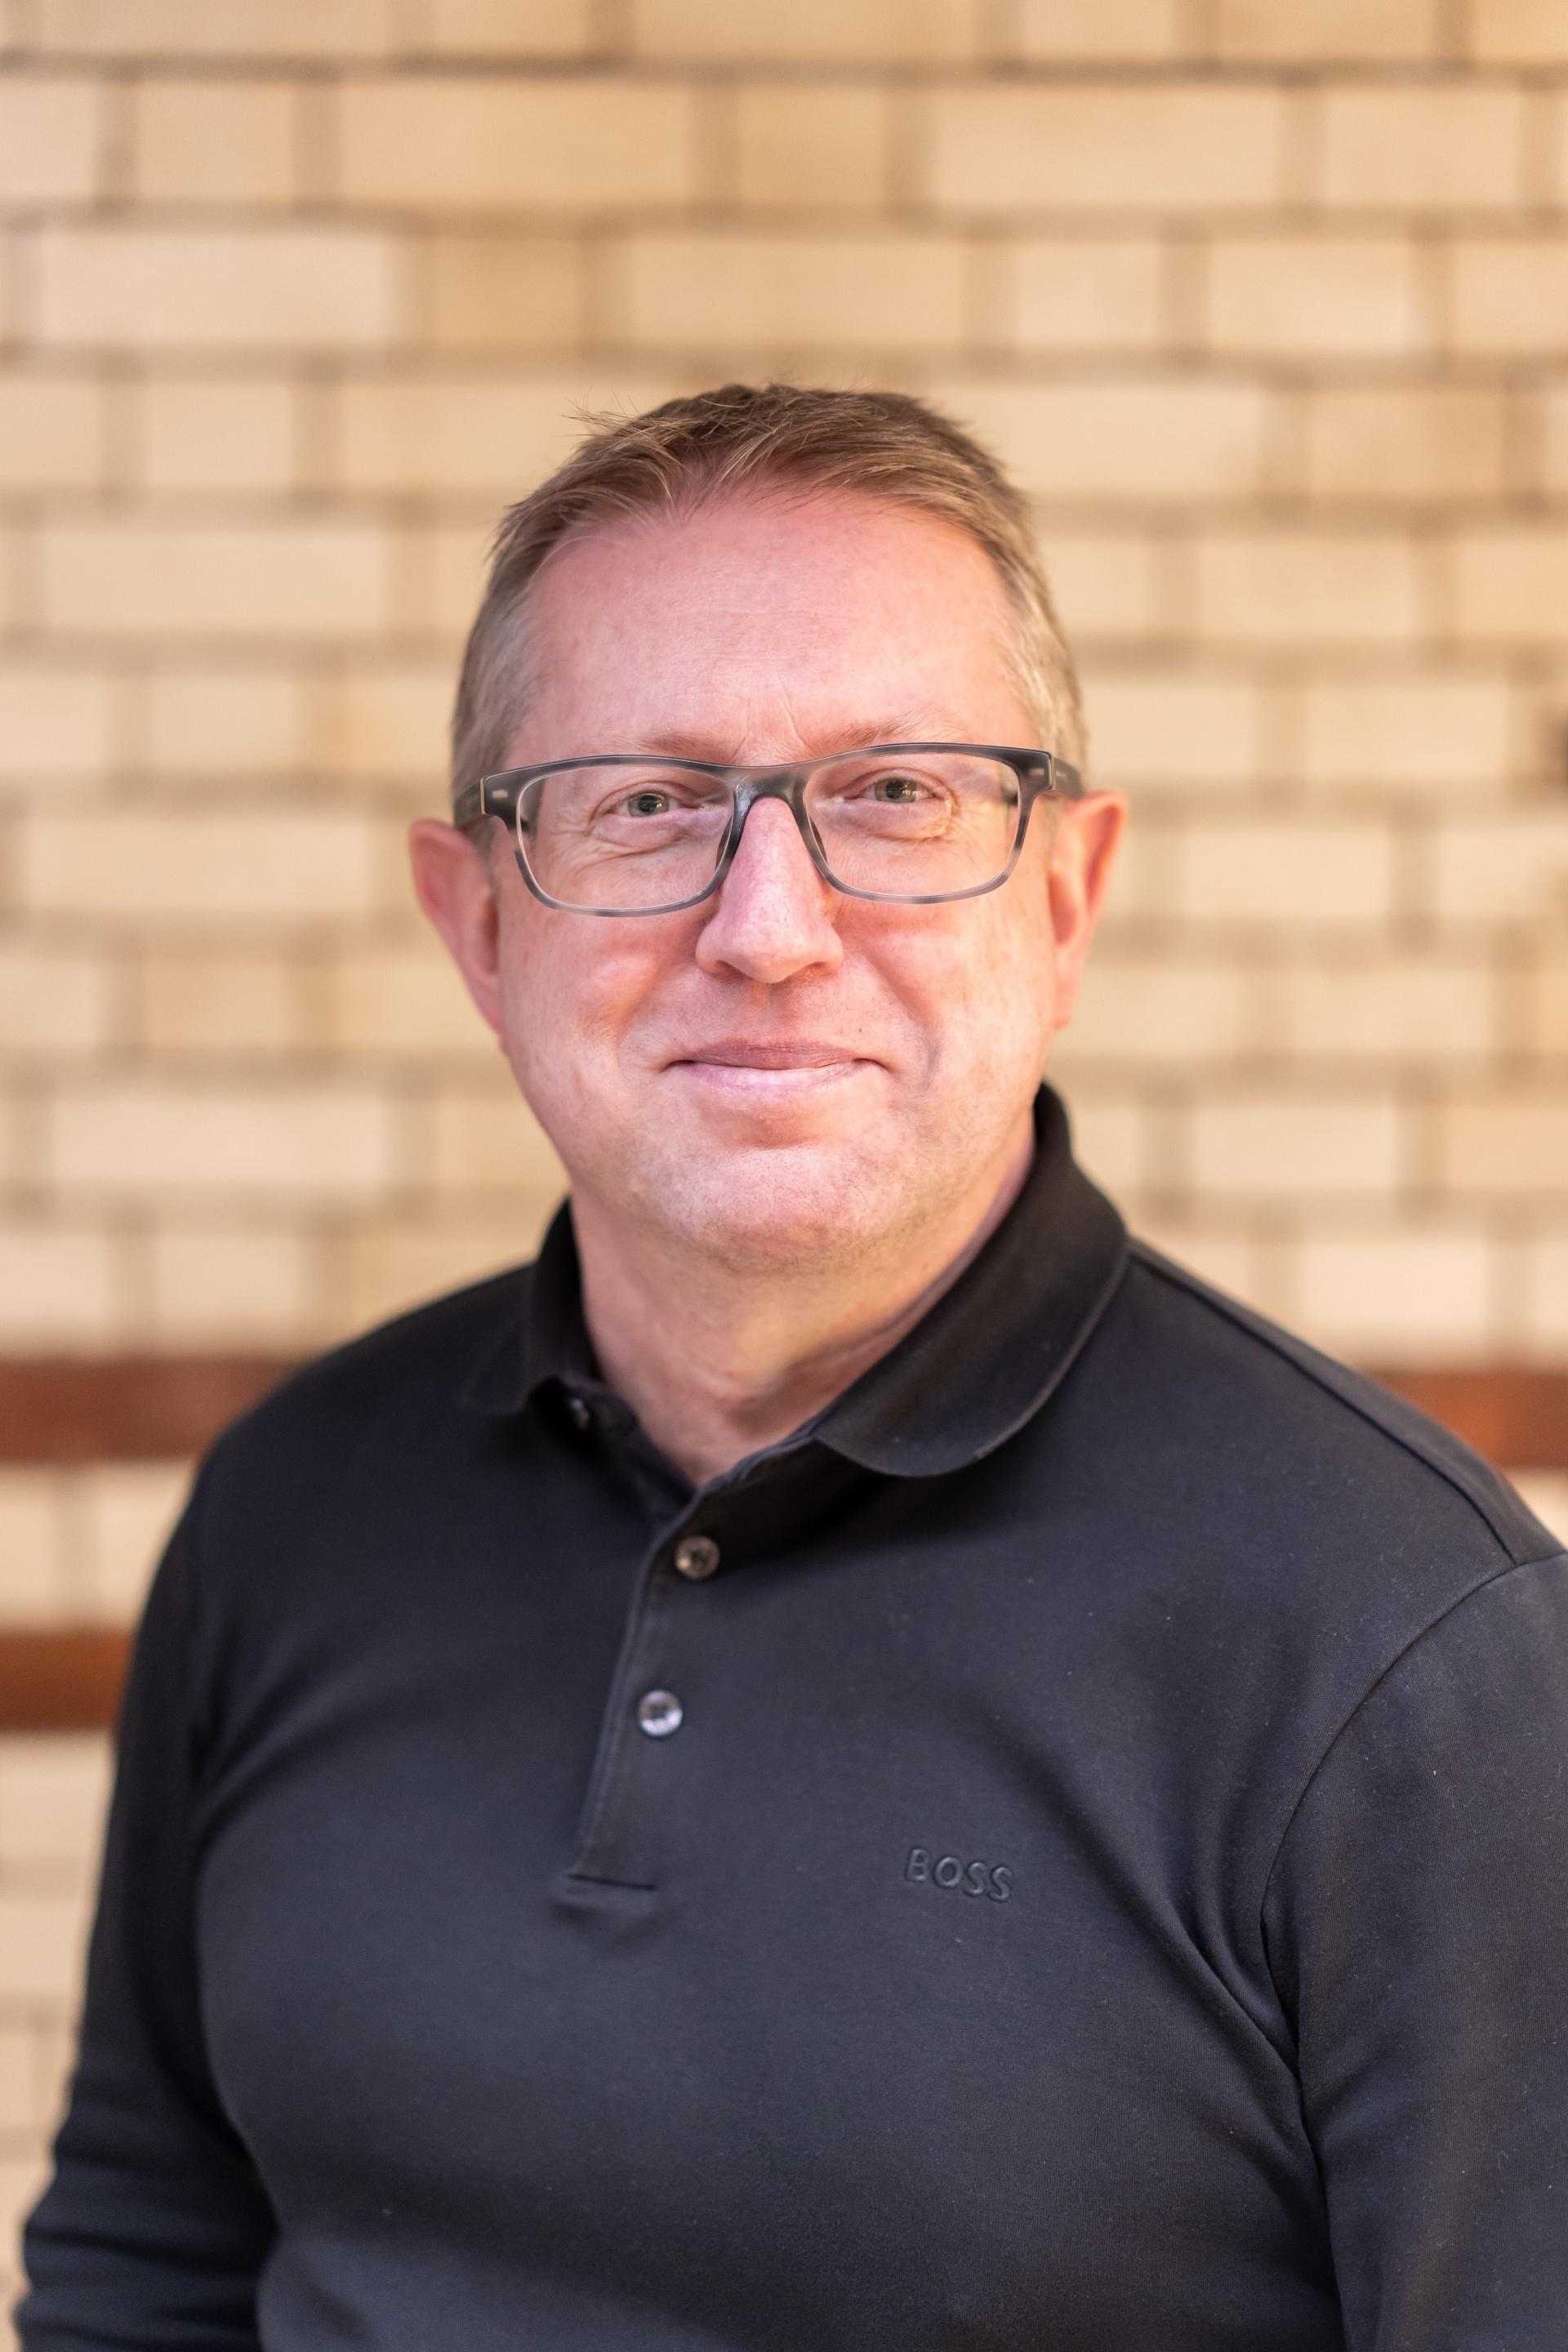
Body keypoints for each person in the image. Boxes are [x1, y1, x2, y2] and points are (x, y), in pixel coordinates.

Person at [20, 384, 1568, 2350]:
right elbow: (150, 2254)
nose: (769, 928)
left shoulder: (1411, 1648)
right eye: (648, 803)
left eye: (897, 794)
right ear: (477, 924)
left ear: (1066, 900)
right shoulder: (289, 1510)